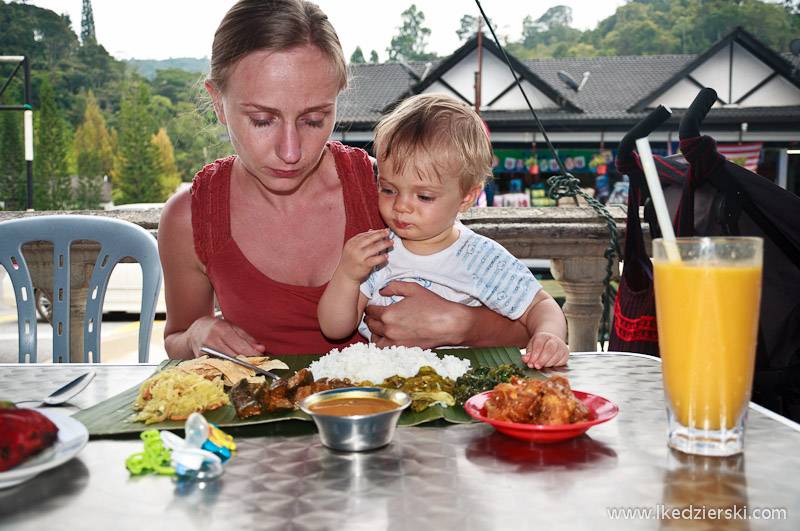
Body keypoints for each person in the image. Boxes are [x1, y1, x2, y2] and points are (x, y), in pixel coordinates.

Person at [158, 0, 530, 360]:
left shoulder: (387, 189)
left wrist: (463, 325)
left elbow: (529, 330)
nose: (291, 151)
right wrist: (195, 334)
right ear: (219, 103)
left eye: (314, 119)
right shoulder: (191, 217)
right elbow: (176, 337)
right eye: (262, 119)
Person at [318, 94, 569, 369]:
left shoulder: (480, 257)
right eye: (388, 189)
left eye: (424, 197)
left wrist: (549, 336)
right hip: (388, 389)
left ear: (466, 198)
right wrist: (347, 275)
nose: (401, 206)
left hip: (463, 385)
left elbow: (539, 306)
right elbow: (335, 329)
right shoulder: (378, 252)